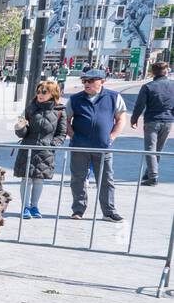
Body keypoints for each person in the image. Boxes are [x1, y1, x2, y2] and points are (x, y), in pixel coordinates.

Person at [65, 68, 127, 221]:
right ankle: (78, 210)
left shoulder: (114, 97)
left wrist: (111, 137)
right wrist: (73, 136)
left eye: (91, 81)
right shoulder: (75, 99)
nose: (87, 84)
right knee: (78, 179)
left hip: (103, 147)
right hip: (80, 147)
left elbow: (121, 119)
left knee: (106, 179)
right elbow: (65, 120)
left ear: (102, 82)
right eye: (84, 81)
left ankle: (109, 212)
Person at [14, 81, 67, 219]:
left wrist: (52, 145)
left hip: (45, 151)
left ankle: (34, 206)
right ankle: (25, 207)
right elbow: (22, 133)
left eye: (44, 92)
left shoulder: (60, 111)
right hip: (28, 148)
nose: (40, 94)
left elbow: (61, 134)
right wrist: (20, 127)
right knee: (26, 179)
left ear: (53, 93)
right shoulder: (30, 109)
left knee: (39, 179)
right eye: (39, 91)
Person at [130, 61, 173, 186]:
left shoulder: (148, 86)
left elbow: (140, 105)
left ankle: (153, 177)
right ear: (166, 71)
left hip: (152, 121)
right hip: (168, 121)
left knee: (150, 149)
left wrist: (134, 119)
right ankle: (149, 173)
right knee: (158, 150)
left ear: (152, 72)